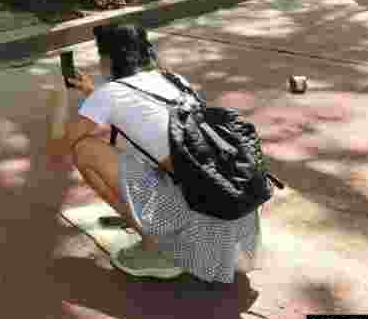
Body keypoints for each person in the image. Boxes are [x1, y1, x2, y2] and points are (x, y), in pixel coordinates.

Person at [47, 24, 262, 283]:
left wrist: (59, 99)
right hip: (228, 207)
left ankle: (158, 248)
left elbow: (56, 149)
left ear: (106, 60)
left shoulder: (110, 95)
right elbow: (137, 111)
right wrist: (93, 93)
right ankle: (164, 231)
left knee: (85, 150)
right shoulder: (175, 80)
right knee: (146, 150)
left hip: (197, 219)